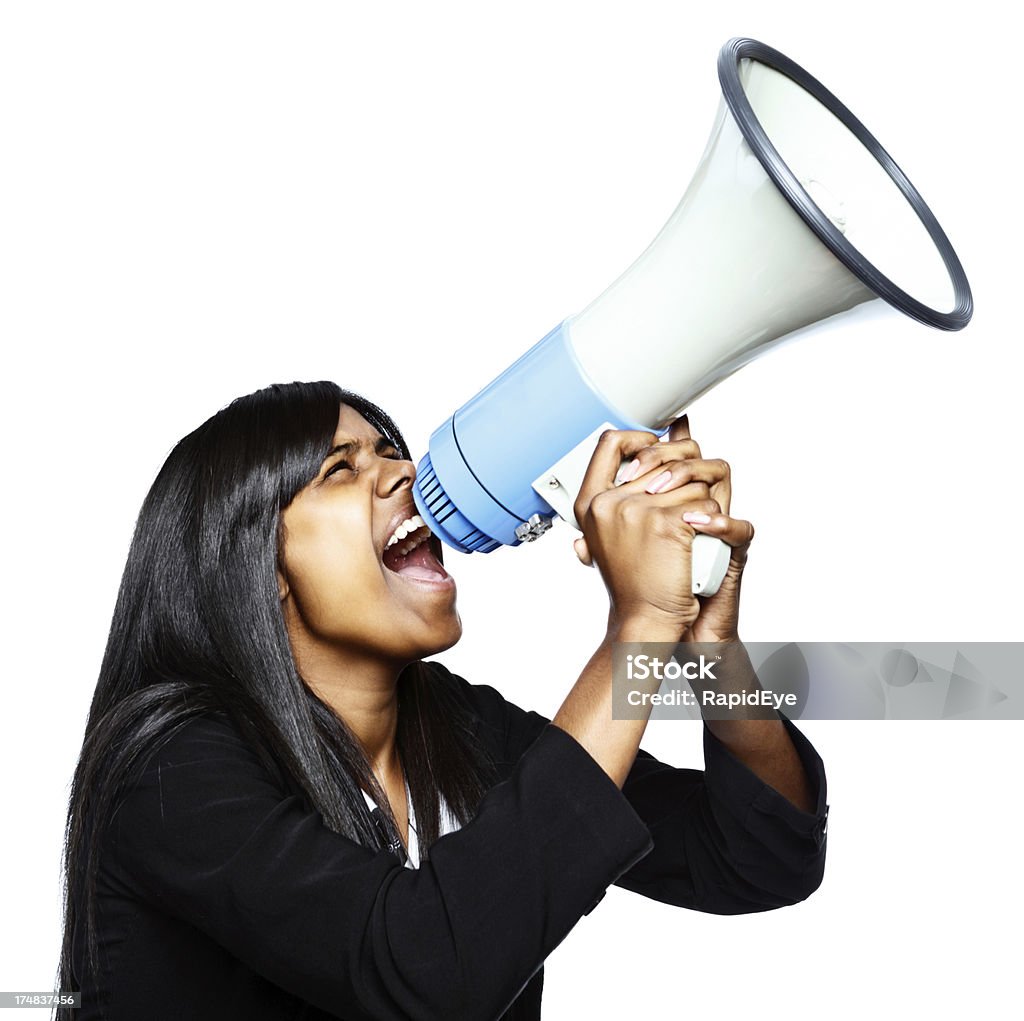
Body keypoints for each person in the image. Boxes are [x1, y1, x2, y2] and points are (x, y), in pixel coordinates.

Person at [56, 380, 828, 1020]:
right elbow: (423, 969)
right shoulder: (168, 772)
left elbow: (757, 854)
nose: (400, 472)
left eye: (392, 450)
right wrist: (638, 626)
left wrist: (705, 640)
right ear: (258, 567)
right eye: (339, 468)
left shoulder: (461, 728)